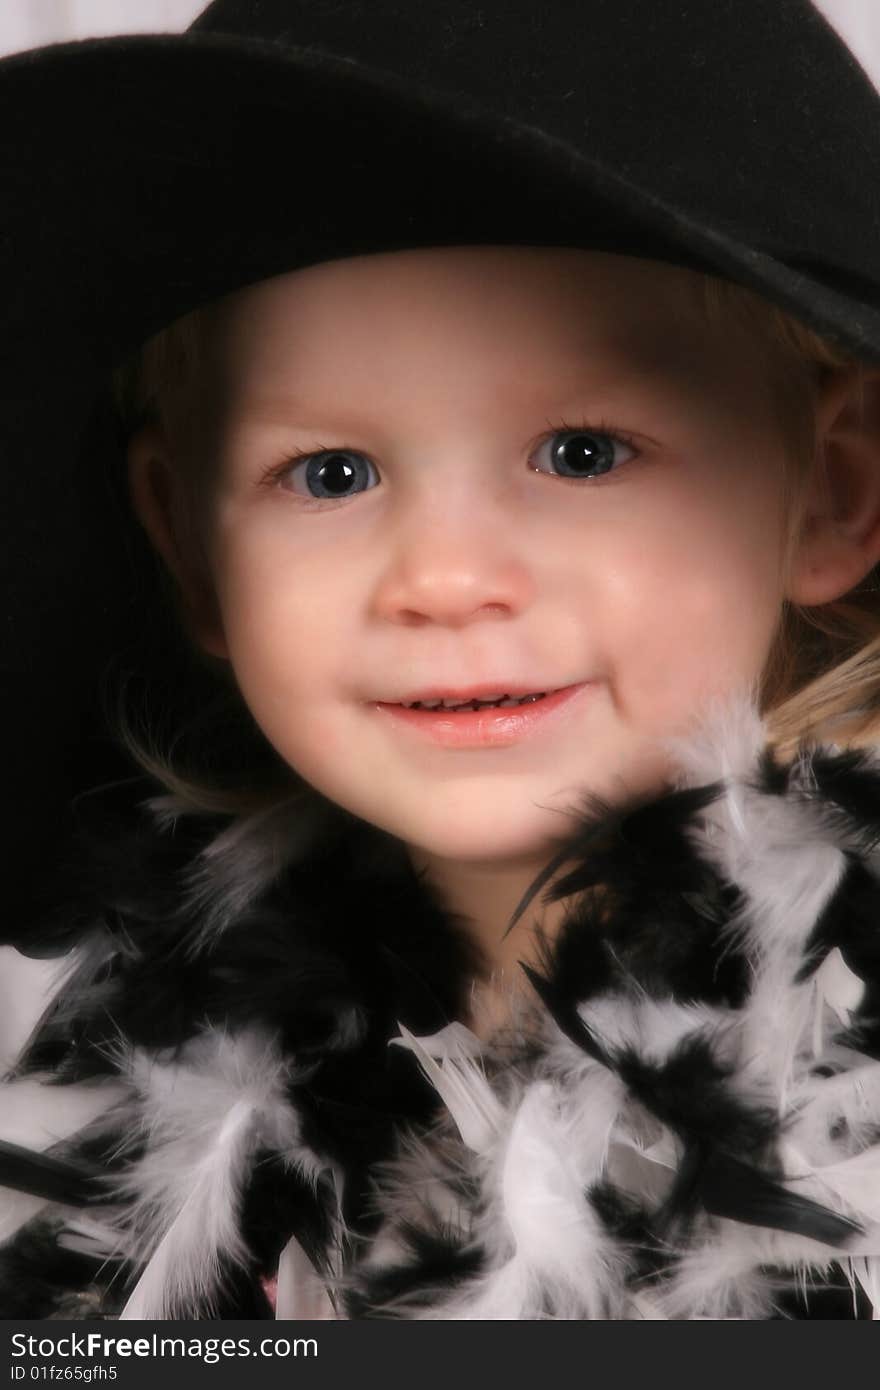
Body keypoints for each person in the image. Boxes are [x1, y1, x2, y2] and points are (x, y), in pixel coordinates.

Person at [1, 0, 880, 1320]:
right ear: (187, 547)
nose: (444, 578)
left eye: (583, 451)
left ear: (835, 495)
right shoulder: (158, 1080)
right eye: (330, 472)